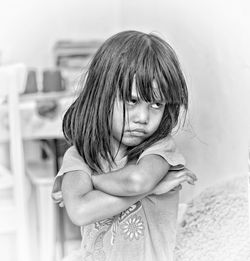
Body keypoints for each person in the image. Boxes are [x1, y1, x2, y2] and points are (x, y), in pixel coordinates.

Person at [52, 30, 197, 261]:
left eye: (156, 104)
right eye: (132, 100)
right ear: (102, 95)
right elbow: (80, 211)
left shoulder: (159, 149)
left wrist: (92, 184)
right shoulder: (79, 156)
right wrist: (153, 189)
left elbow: (137, 181)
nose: (143, 117)